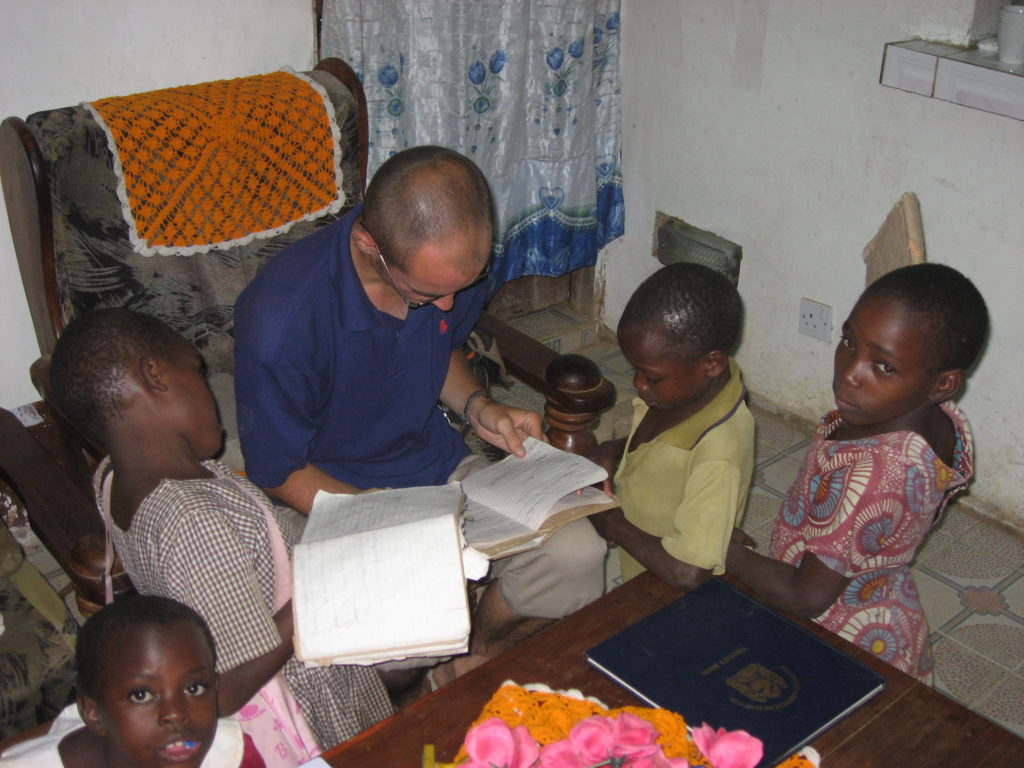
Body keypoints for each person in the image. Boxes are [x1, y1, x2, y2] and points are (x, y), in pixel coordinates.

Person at [233, 145, 607, 672]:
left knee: (577, 557)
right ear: (369, 245)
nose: (450, 305)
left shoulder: (447, 273)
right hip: (333, 492)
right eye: (426, 293)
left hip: (436, 467)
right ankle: (431, 675)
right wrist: (387, 521)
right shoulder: (281, 321)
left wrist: (479, 405)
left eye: (462, 287)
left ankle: (472, 663)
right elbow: (278, 470)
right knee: (405, 625)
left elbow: (442, 344)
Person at [48, 309, 393, 761]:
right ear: (154, 375)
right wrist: (325, 575)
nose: (209, 389)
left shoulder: (112, 477)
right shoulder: (195, 518)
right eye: (196, 370)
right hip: (309, 712)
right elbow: (226, 685)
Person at [726, 263, 988, 682]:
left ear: (943, 384)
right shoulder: (934, 419)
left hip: (838, 638)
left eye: (884, 367)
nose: (850, 372)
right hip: (880, 601)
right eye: (849, 342)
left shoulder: (870, 477)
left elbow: (806, 596)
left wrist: (725, 550)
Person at [588, 263, 755, 591]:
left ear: (712, 363)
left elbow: (688, 573)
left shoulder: (719, 455)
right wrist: (613, 449)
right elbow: (658, 445)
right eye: (635, 370)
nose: (639, 384)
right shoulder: (684, 389)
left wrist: (611, 523)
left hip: (661, 584)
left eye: (652, 377)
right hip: (640, 550)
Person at [0, 595, 265, 767]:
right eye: (141, 695)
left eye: (194, 688)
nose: (176, 714)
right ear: (93, 713)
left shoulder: (229, 754)